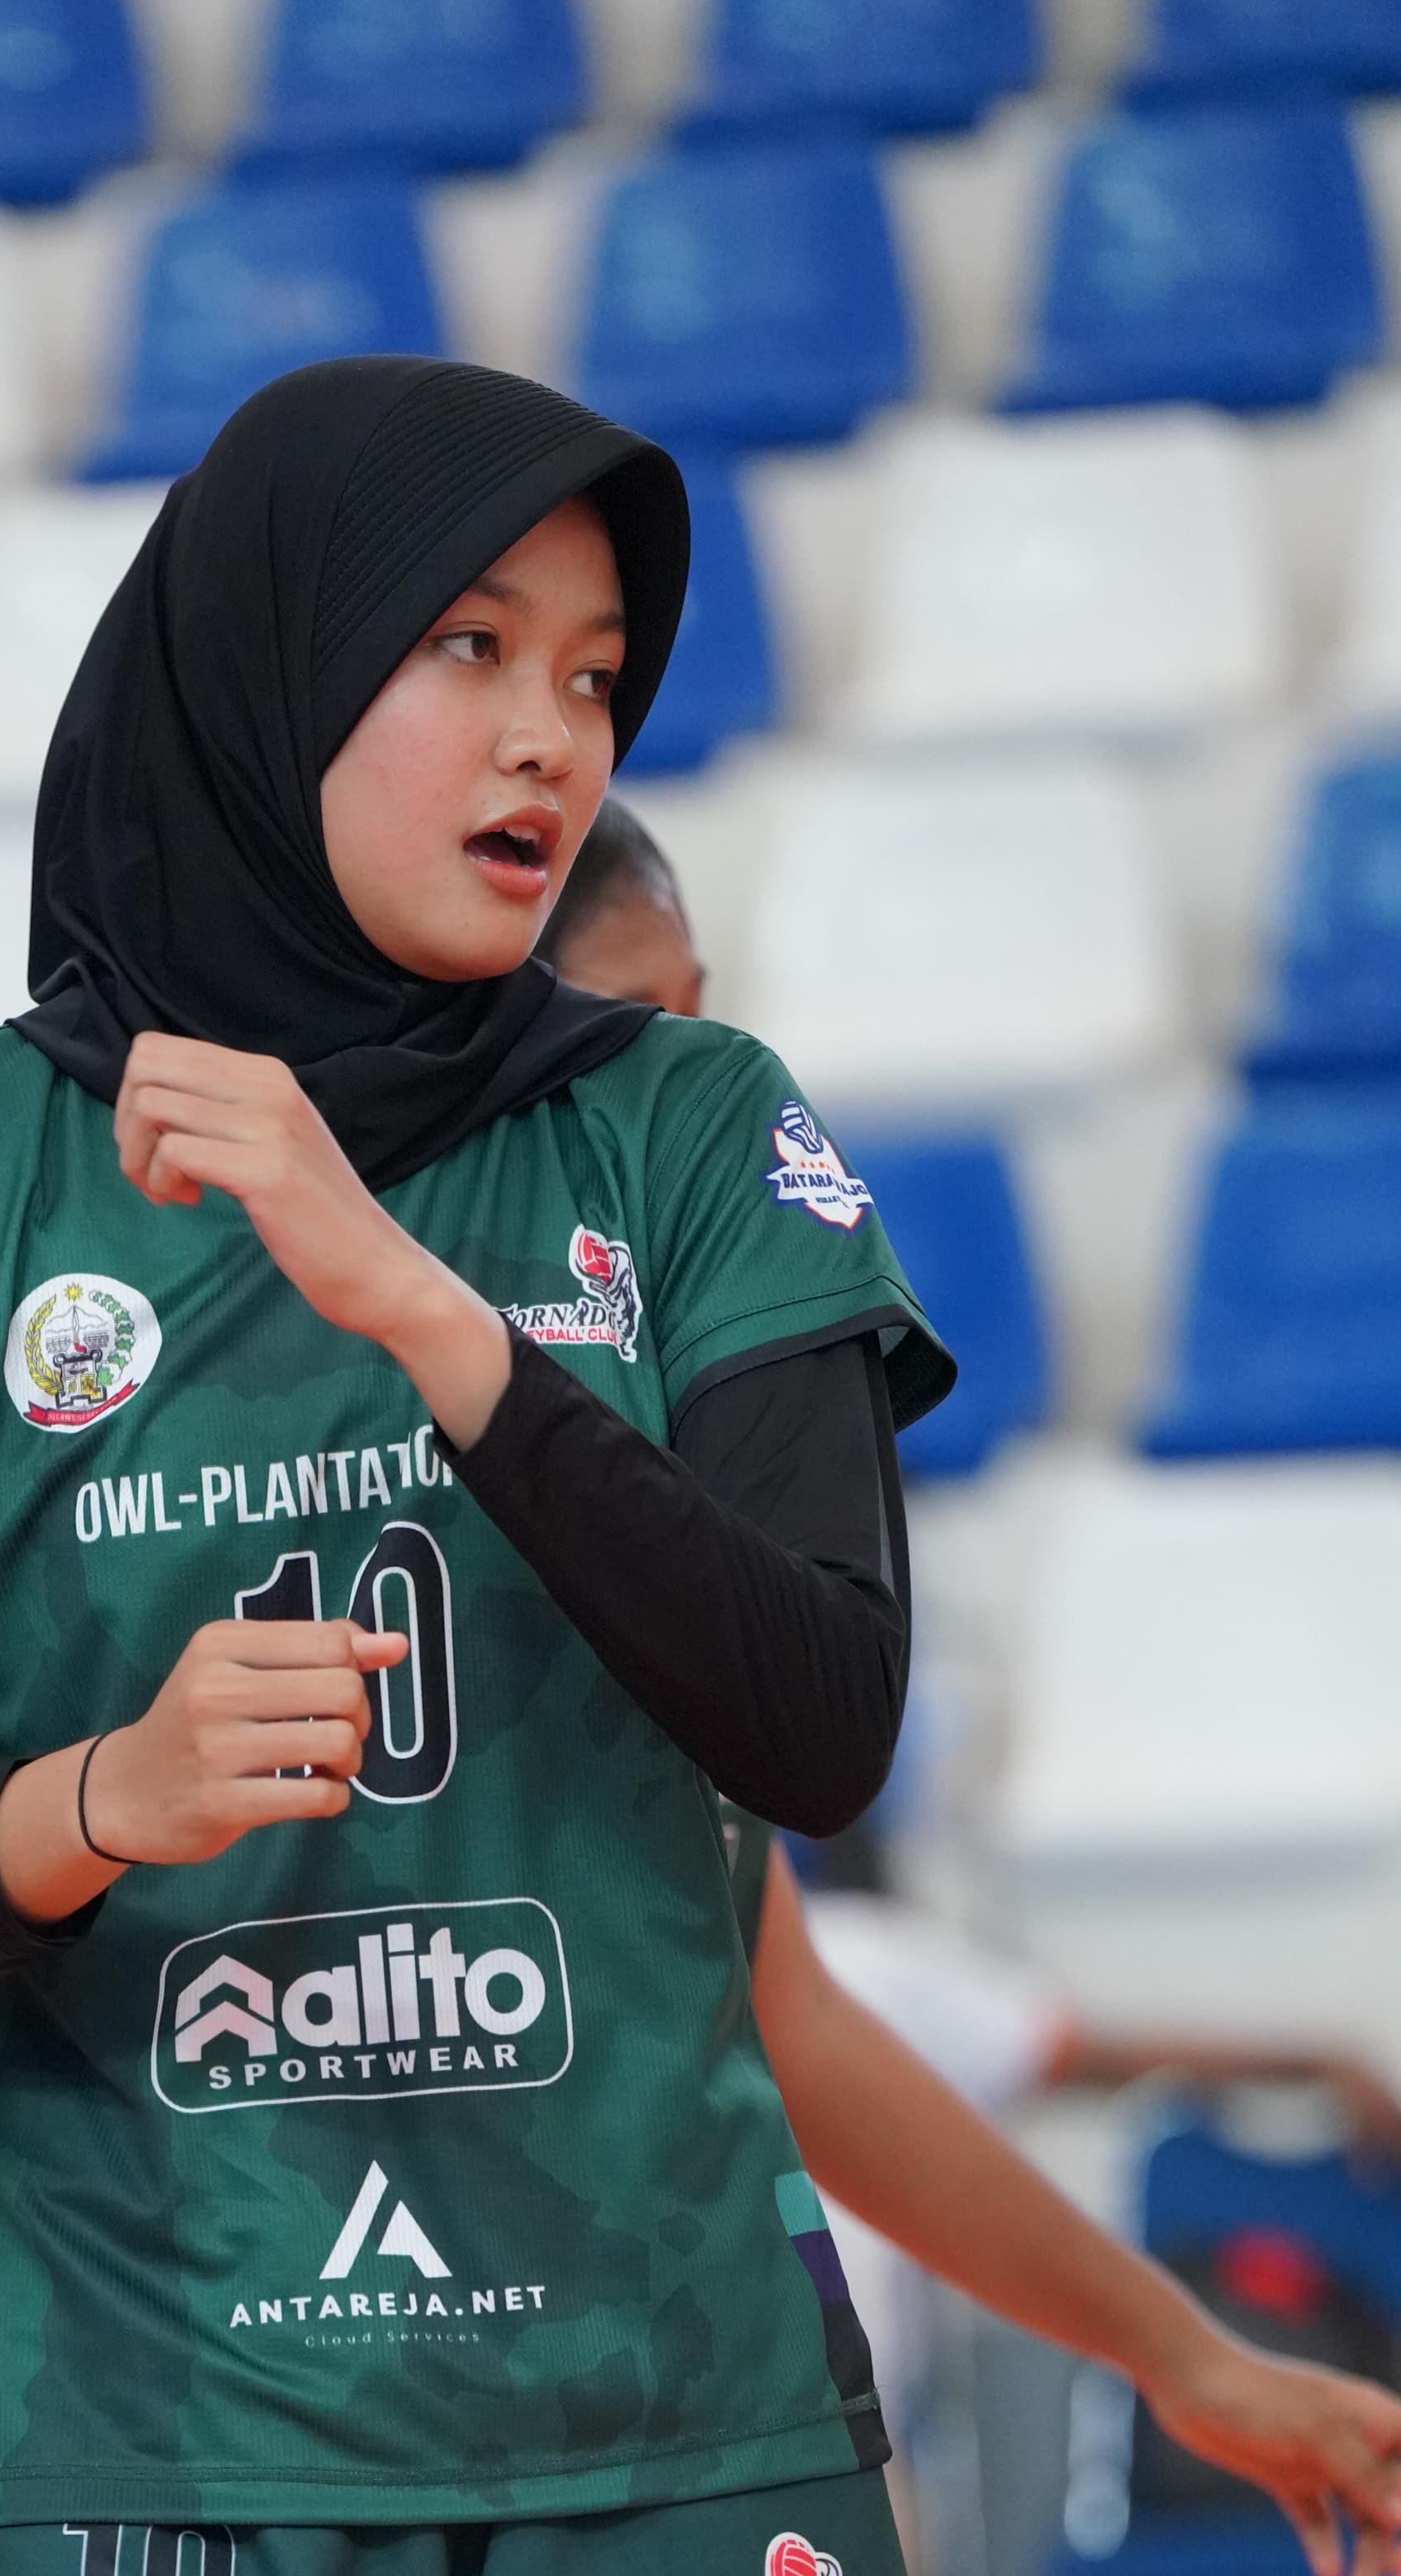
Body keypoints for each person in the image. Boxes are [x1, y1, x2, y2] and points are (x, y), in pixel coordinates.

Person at [0, 356, 957, 2572]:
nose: (551, 733)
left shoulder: (690, 1124)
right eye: (468, 645)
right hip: (136, 2434)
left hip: (669, 2415)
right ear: (266, 664)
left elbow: (824, 1717)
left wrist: (429, 1312)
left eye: (591, 672)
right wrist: (113, 1797)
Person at [542, 795, 1401, 2567]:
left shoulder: (658, 1556)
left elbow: (803, 2029)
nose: (702, 1101)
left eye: (708, 1026)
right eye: (627, 1042)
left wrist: (1188, 2354)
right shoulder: (235, 1501)